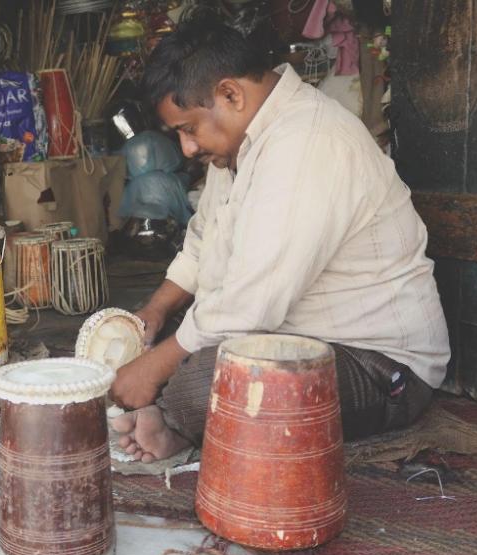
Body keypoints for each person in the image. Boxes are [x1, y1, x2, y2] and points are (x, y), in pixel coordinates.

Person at [110, 15, 450, 463]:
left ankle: (175, 421)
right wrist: (155, 311)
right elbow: (202, 239)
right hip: (290, 332)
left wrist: (153, 369)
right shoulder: (237, 146)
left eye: (188, 128)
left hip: (379, 367)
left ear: (231, 94)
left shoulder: (309, 142)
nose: (187, 148)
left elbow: (251, 305)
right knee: (175, 340)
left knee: (216, 375)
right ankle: (175, 408)